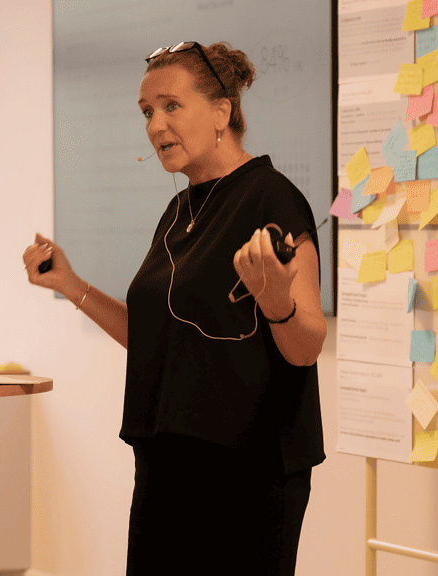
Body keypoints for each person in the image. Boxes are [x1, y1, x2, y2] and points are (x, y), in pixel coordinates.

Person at [23, 41, 326, 575]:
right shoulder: (180, 209)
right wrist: (71, 285)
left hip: (245, 475)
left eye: (171, 106)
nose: (155, 125)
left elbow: (305, 347)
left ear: (222, 112)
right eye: (147, 111)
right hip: (165, 466)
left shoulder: (272, 198)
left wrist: (277, 302)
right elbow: (154, 338)